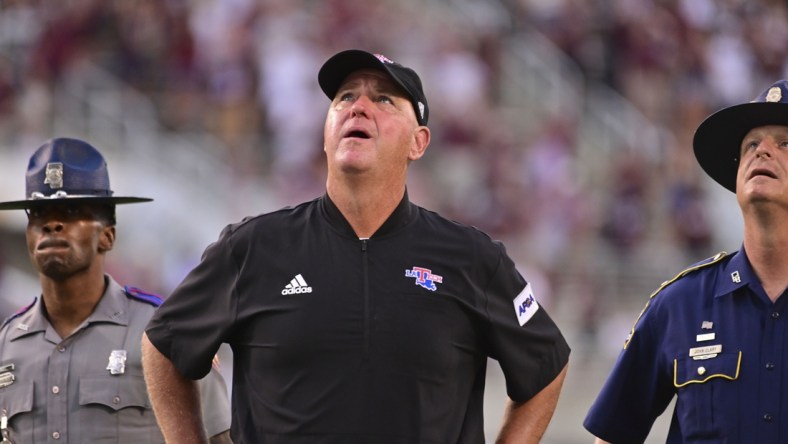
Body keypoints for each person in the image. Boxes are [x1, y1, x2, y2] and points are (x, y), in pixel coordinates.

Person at [142, 49, 571, 443]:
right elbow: (163, 345)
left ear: (418, 142)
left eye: (384, 100)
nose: (359, 107)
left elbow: (546, 366)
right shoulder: (254, 247)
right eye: (345, 97)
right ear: (326, 135)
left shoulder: (472, 257)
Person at [584, 79, 788, 443]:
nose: (762, 152)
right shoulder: (679, 304)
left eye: (785, 143)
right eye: (751, 145)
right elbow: (612, 434)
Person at [0, 137, 232, 443]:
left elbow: (220, 438)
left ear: (107, 236)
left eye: (71, 211)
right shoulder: (7, 343)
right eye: (39, 213)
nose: (52, 224)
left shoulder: (164, 332)